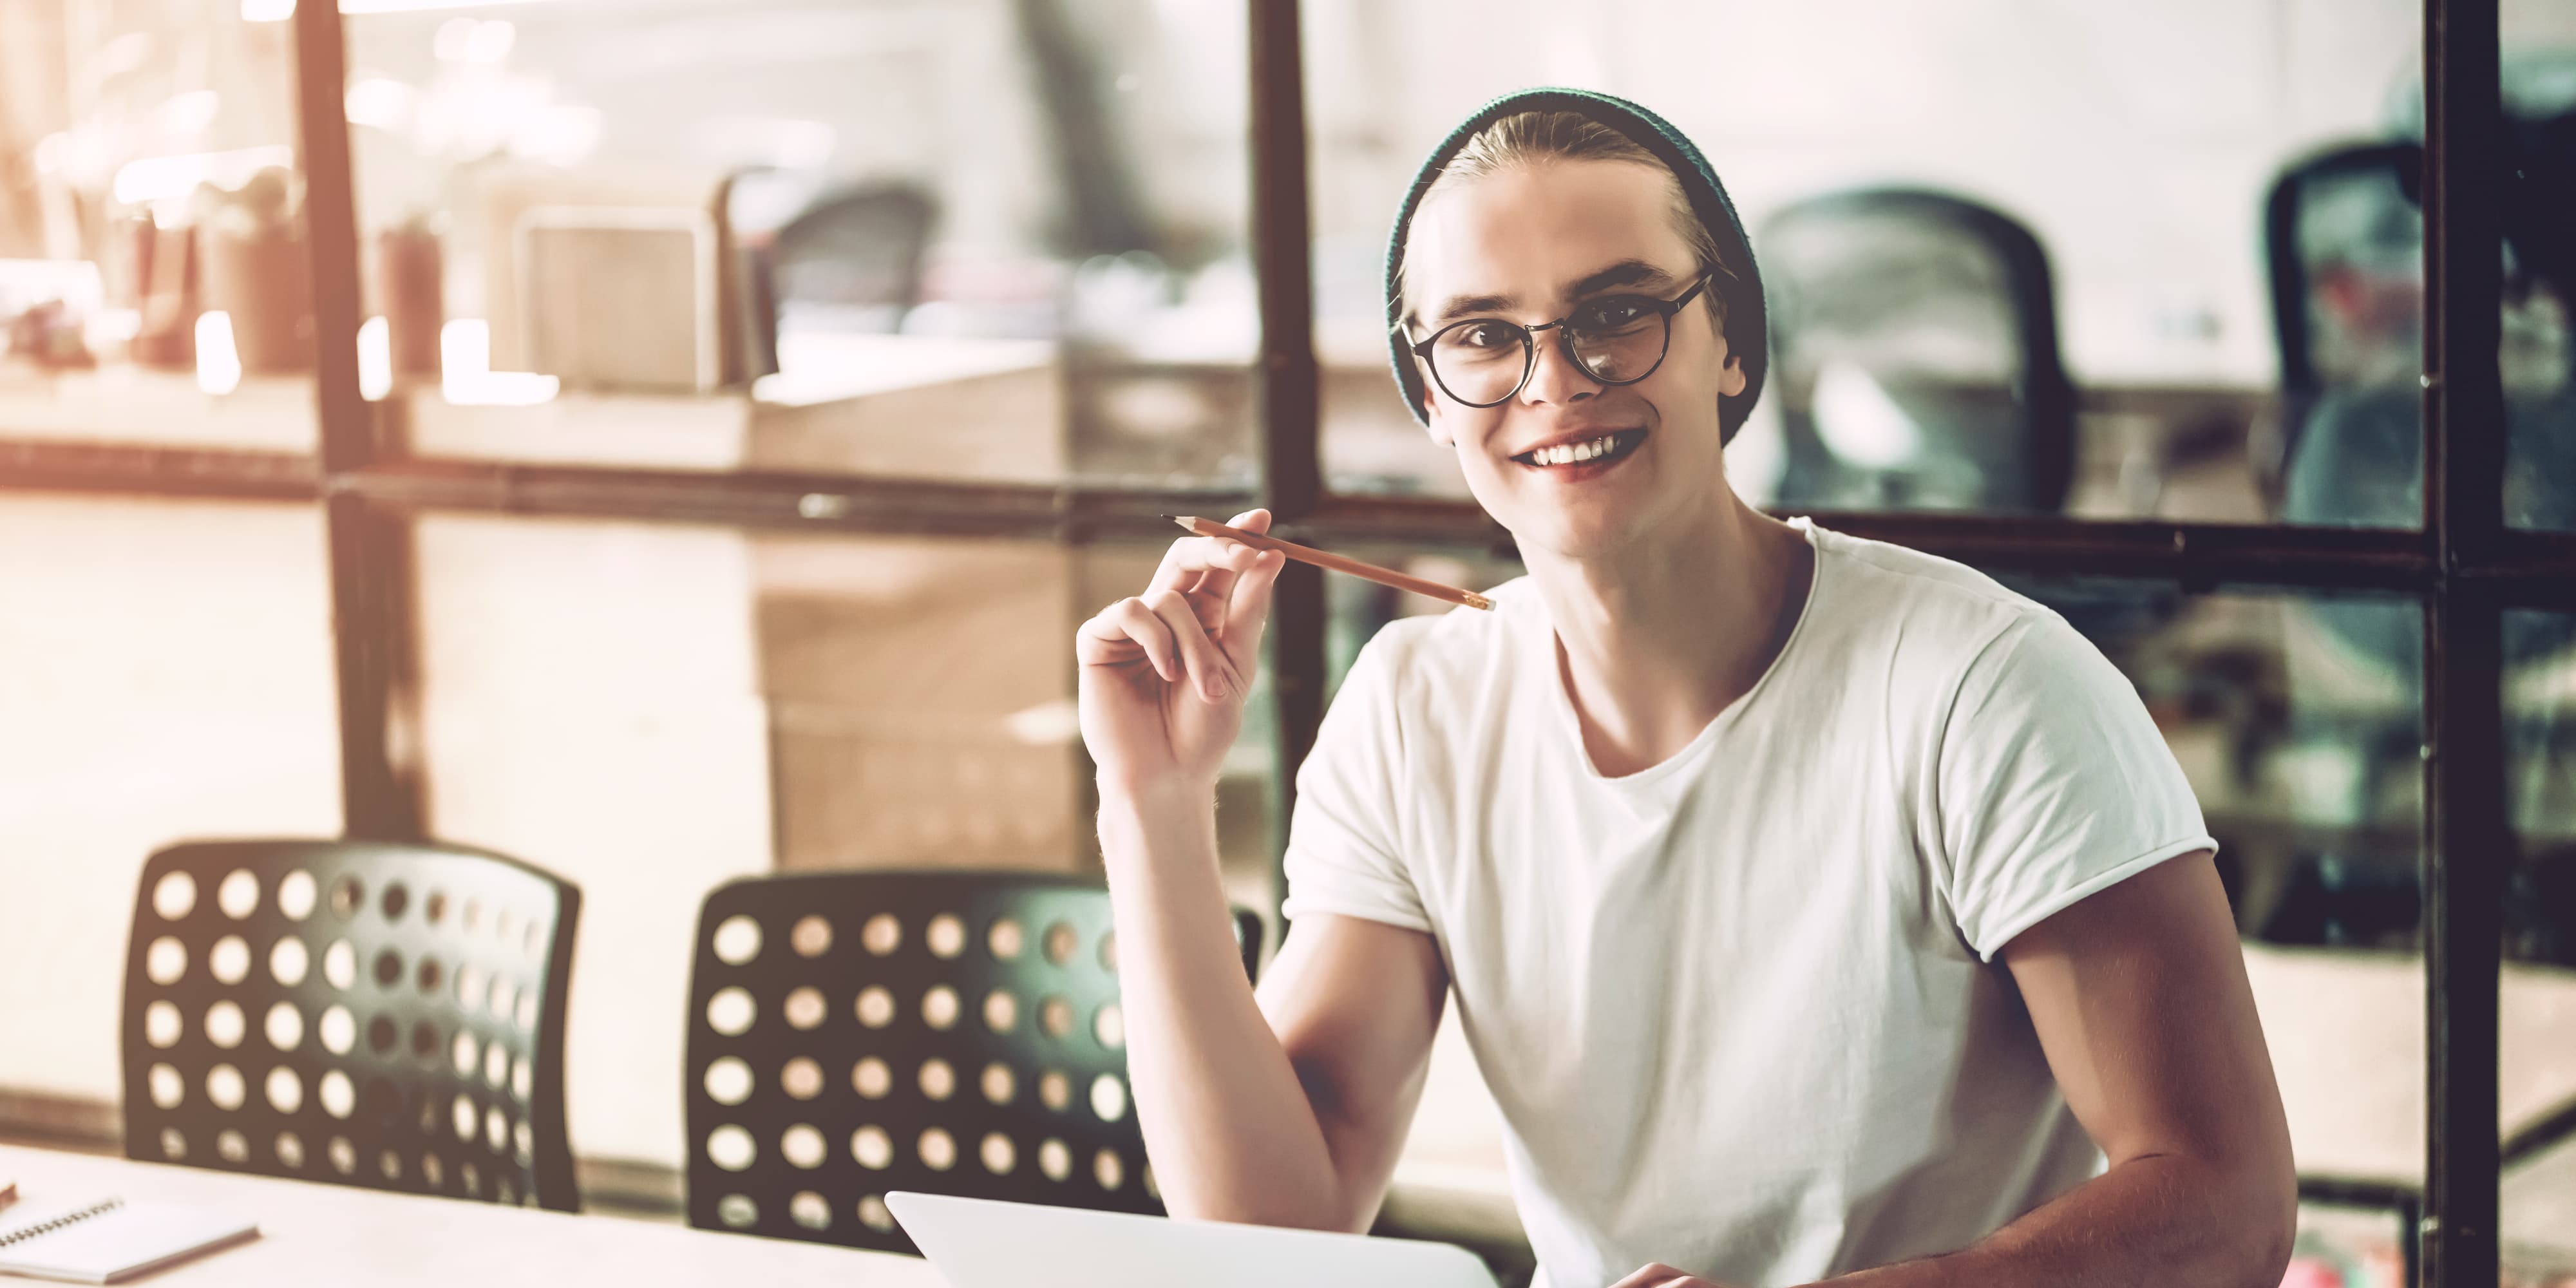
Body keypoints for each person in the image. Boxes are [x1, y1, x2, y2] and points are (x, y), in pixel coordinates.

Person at [1074, 89, 2295, 1288]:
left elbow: (2221, 1204)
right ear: (1432, 398)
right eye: (1485, 335)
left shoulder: (1984, 688)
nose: (1555, 379)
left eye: (1616, 312)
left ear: (1732, 344)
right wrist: (1153, 806)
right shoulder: (1413, 708)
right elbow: (1273, 1227)